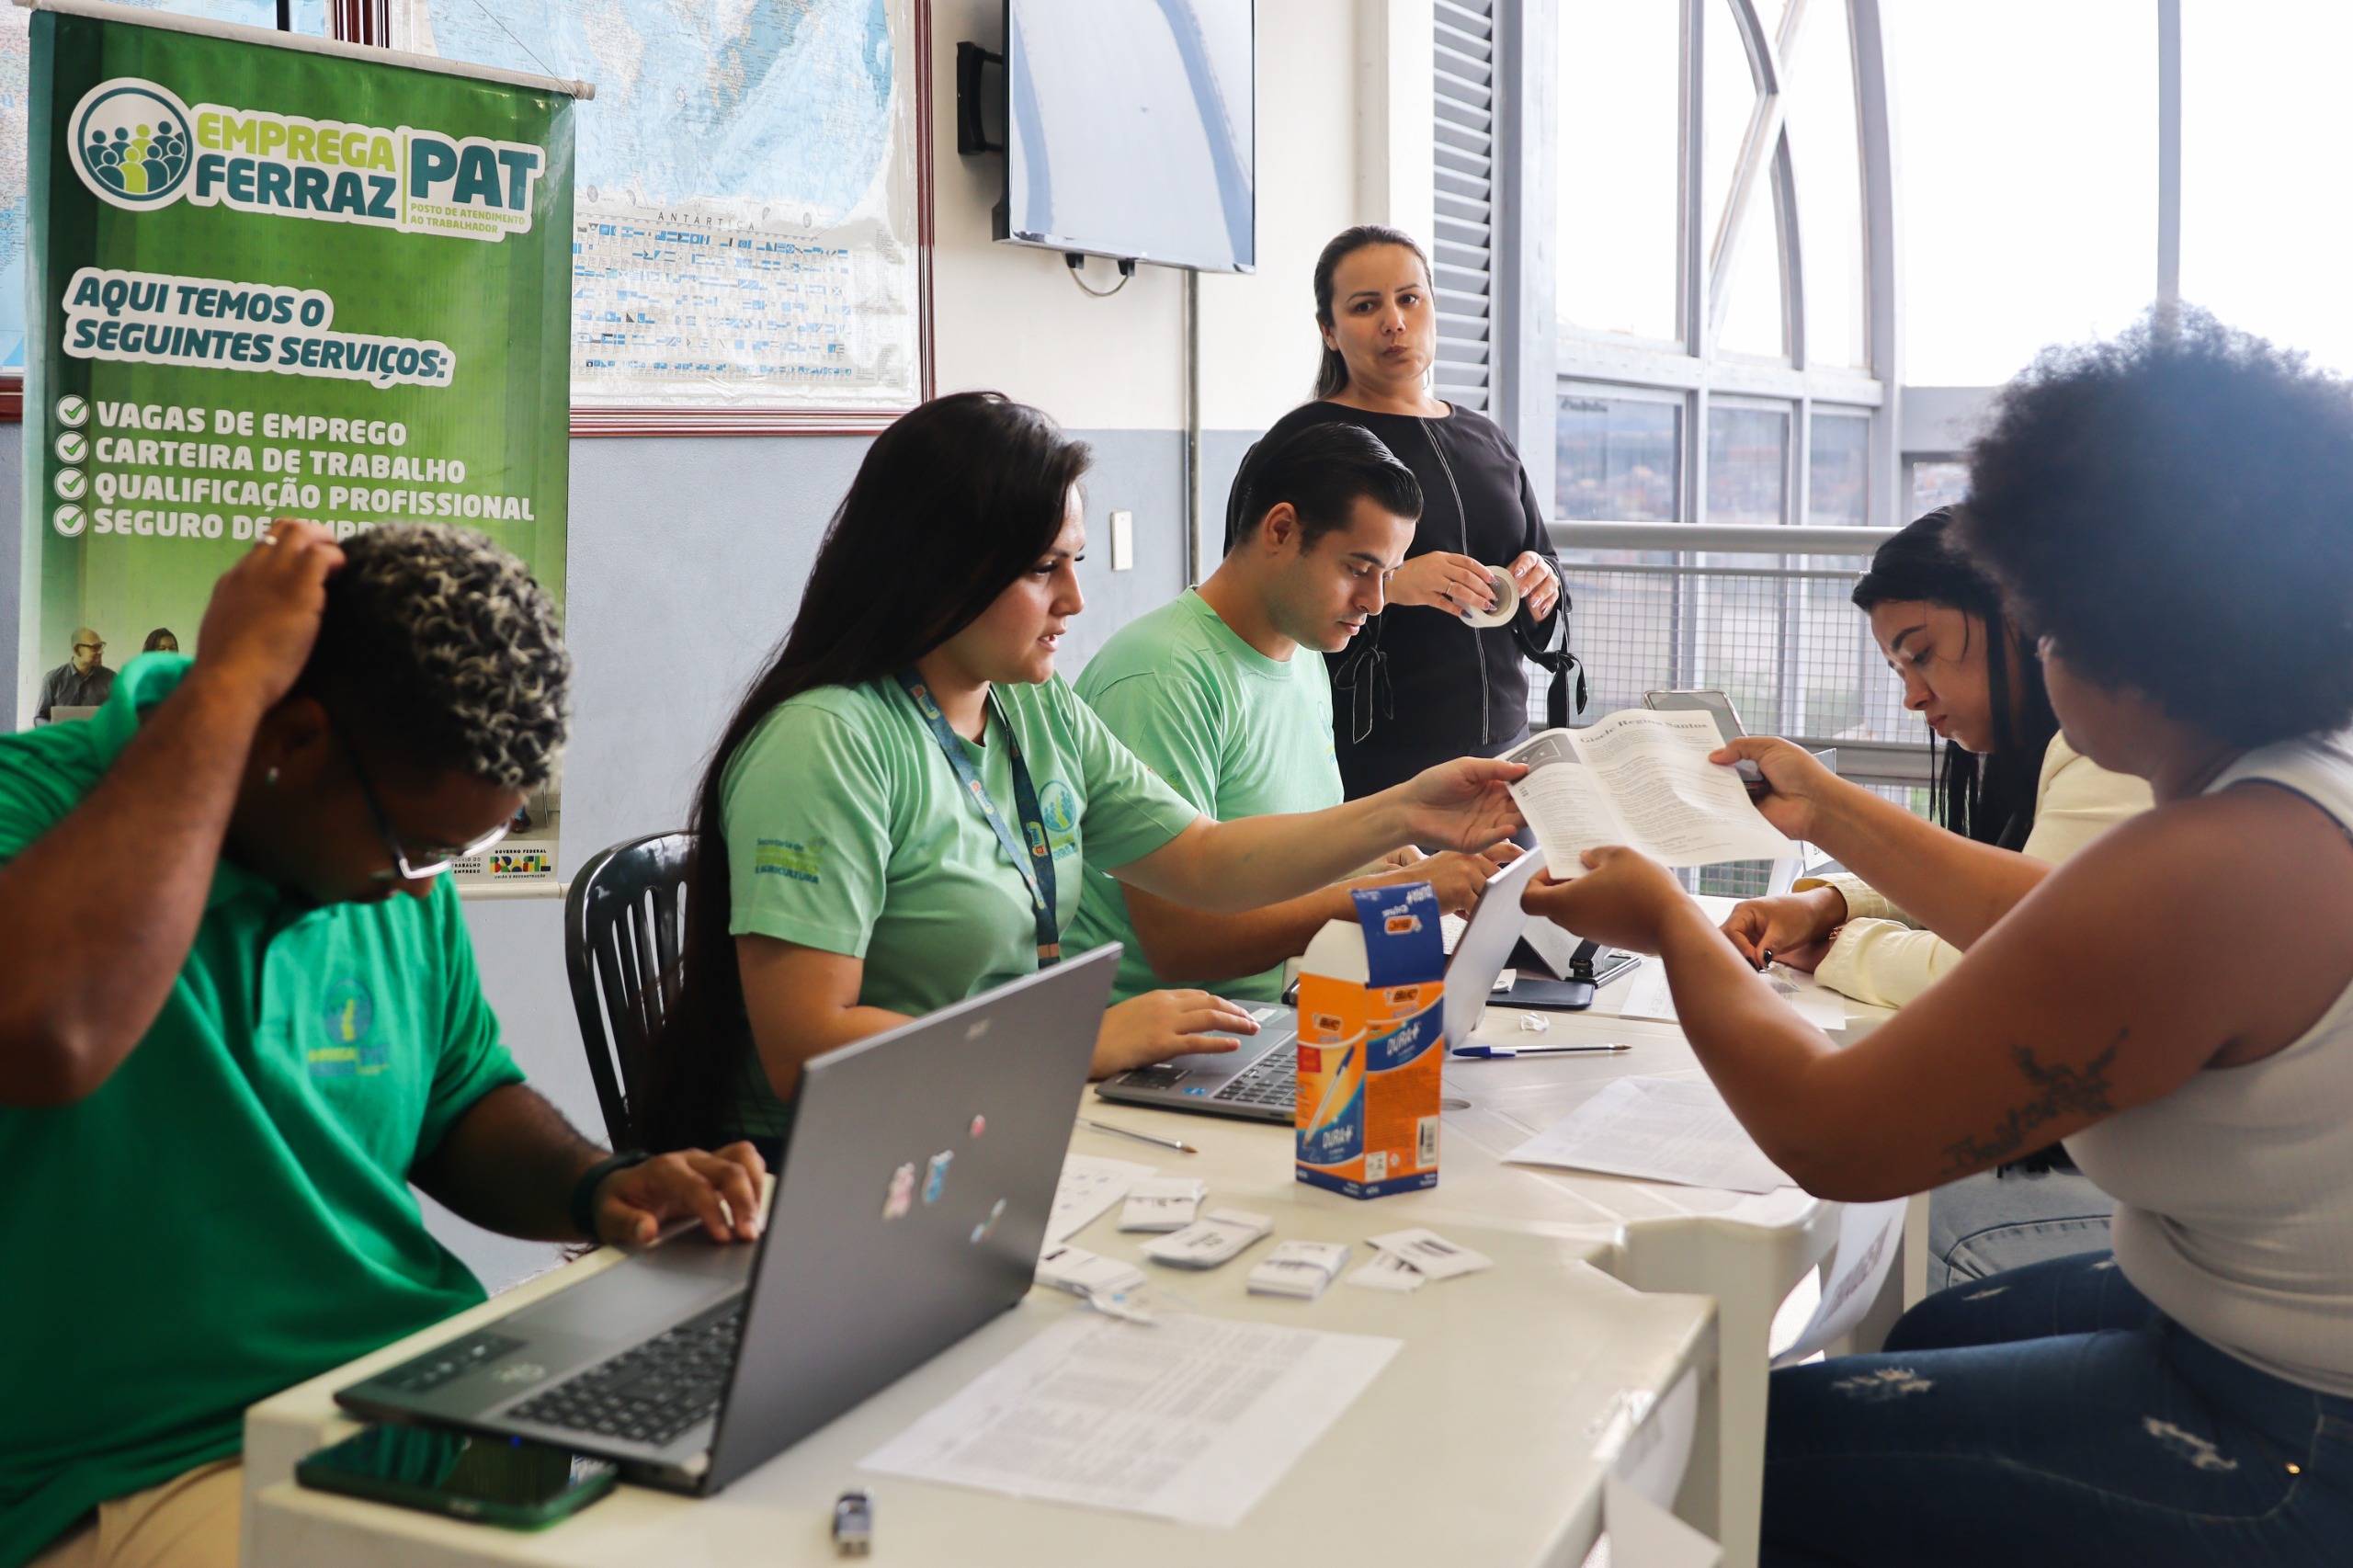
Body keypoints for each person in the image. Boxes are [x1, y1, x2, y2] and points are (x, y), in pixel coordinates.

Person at [1523, 313, 2353, 1564]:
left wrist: (1668, 922)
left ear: (2125, 637)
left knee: (1742, 1453)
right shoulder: (2293, 783)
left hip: (2295, 1438)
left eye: (2047, 626)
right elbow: (2061, 925)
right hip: (2241, 1329)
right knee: (1929, 1332)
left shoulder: (2213, 866)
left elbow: (1836, 1133)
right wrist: (1833, 811)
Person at [2, 522, 765, 1568]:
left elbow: (458, 1100)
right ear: (293, 738)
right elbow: (53, 1029)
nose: (419, 886)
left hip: (403, 1389)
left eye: (454, 854)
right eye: (416, 847)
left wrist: (601, 1185)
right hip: (134, 1466)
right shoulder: (30, 809)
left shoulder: (390, 868)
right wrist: (229, 682)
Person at [645, 392, 1525, 1153]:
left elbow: (1203, 859)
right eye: (1043, 569)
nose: (1074, 600)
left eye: (1074, 564)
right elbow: (807, 1045)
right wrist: (1077, 1043)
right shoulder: (826, 743)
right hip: (833, 1163)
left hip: (993, 1117)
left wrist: (1407, 809)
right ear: (937, 566)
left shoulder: (1030, 707)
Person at [1720, 507, 2152, 1289]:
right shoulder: (2052, 749)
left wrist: (1836, 947)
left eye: (1922, 656)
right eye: (1898, 672)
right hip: (2136, 1169)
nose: (1914, 698)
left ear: (2018, 613)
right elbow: (1997, 887)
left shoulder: (2108, 753)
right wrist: (1832, 905)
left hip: (2149, 1199)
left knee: (1896, 1191)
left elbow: (2009, 963)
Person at [1070, 422, 1509, 1004]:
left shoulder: (1303, 652)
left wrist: (1378, 863)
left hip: (1283, 1001)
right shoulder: (1160, 677)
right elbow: (1182, 945)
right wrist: (1401, 894)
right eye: (1358, 569)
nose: (1376, 602)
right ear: (1280, 529)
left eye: (1388, 575)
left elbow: (1269, 857)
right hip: (1170, 1031)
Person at [1223, 225, 1567, 800]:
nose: (1394, 321)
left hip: (1506, 758)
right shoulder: (1303, 444)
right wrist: (1394, 583)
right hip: (1366, 767)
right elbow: (1249, 598)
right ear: (1328, 330)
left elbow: (1545, 559)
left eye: (1410, 298)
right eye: (1365, 306)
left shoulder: (1486, 438)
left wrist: (1543, 579)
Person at [35, 627, 114, 720]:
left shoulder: (111, 679)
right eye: (95, 647)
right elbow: (40, 718)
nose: (101, 652)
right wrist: (56, 729)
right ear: (77, 650)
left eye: (101, 646)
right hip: (63, 730)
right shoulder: (53, 679)